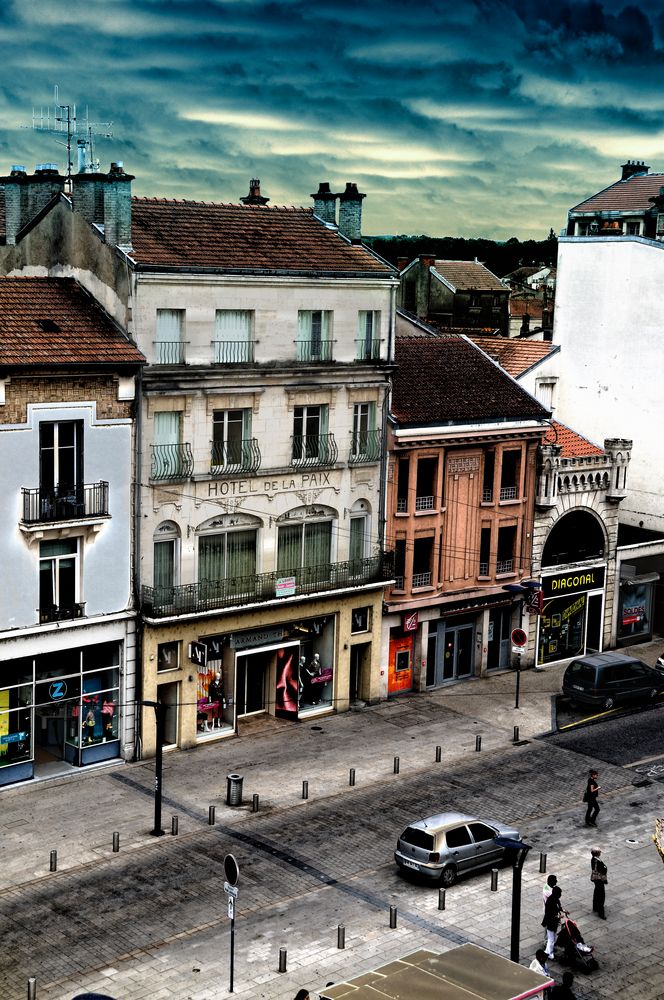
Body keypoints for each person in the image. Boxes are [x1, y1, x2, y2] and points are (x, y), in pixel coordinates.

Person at [542, 884, 564, 959]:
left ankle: (547, 952)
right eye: (560, 893)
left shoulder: (556, 899)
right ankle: (549, 953)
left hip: (554, 922)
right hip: (550, 922)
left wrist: (564, 911)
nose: (560, 895)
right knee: (551, 939)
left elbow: (559, 907)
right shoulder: (550, 901)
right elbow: (549, 914)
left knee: (552, 938)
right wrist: (558, 916)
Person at [590, 847, 607, 919]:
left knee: (596, 892)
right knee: (601, 896)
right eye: (599, 852)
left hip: (595, 879)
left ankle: (595, 907)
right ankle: (601, 913)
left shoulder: (593, 859)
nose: (600, 853)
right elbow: (603, 870)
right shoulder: (598, 861)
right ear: (597, 853)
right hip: (599, 879)